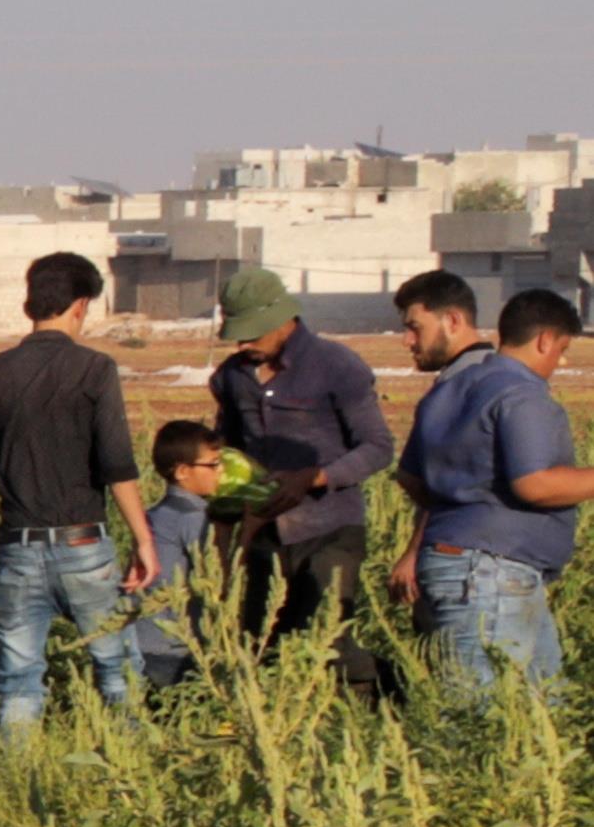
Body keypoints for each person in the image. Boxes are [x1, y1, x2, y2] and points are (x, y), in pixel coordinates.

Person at [0, 248, 165, 734]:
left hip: (17, 548)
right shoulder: (95, 369)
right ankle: (134, 775)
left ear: (29, 303)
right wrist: (142, 538)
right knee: (117, 673)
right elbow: (117, 464)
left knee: (17, 680)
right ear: (81, 306)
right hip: (84, 544)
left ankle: (17, 785)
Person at [391, 279, 588, 697]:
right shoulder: (521, 392)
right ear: (544, 340)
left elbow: (410, 476)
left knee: (543, 704)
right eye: (562, 349)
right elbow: (535, 484)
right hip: (491, 574)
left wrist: (462, 506)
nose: (560, 360)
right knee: (481, 712)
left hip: (463, 564)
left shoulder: (448, 390)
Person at [205, 260, 393, 671]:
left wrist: (316, 476)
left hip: (329, 530)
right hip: (263, 533)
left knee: (326, 644)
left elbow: (378, 447)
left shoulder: (337, 366)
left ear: (283, 321)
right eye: (236, 337)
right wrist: (224, 524)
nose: (241, 346)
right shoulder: (231, 378)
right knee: (260, 646)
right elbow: (229, 452)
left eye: (250, 335)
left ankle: (375, 697)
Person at [127, 422, 226, 692]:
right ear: (183, 471)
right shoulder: (193, 518)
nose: (221, 471)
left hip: (142, 640)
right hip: (173, 648)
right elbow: (217, 576)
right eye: (213, 464)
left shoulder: (156, 514)